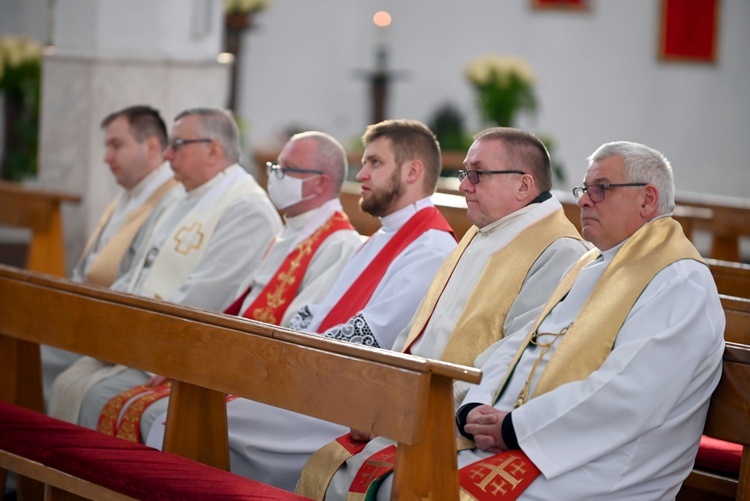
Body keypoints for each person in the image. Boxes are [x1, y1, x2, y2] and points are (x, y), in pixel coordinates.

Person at [328, 141, 726, 500]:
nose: (584, 201)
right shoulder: (593, 265)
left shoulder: (678, 281)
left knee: (420, 489)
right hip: (540, 441)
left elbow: (628, 396)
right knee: (389, 477)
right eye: (584, 189)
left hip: (603, 466)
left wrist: (516, 427)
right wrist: (476, 410)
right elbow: (520, 345)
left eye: (600, 188)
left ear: (648, 199)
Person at [145, 119, 459, 491]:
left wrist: (290, 360)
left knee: (186, 425)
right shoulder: (382, 237)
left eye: (375, 163)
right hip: (316, 374)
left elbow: (370, 335)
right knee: (178, 417)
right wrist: (281, 347)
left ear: (412, 171)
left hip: (348, 395)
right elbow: (321, 310)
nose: (361, 174)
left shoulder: (431, 248)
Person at [297, 127, 590, 498]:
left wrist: (415, 411)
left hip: (458, 424)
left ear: (523, 185)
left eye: (477, 174)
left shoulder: (558, 251)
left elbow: (518, 360)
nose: (464, 185)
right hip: (410, 409)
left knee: (386, 487)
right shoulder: (482, 231)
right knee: (323, 465)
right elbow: (418, 328)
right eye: (465, 173)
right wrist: (379, 402)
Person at [96, 130, 364, 442]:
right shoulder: (290, 231)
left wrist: (216, 367)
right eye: (275, 168)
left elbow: (300, 331)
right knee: (121, 403)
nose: (275, 178)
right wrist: (195, 358)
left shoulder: (338, 243)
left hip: (265, 383)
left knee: (156, 416)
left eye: (287, 170)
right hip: (235, 363)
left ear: (320, 182)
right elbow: (243, 308)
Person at [48, 107, 283, 426]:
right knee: (65, 385)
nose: (168, 155)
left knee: (94, 397)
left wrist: (124, 339)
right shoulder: (182, 198)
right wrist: (105, 322)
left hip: (170, 353)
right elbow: (136, 274)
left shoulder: (247, 210)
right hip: (133, 339)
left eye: (178, 145)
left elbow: (204, 298)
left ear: (213, 149)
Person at [42, 105, 183, 403]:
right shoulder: (130, 193)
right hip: (85, 310)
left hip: (108, 324)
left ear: (152, 146)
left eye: (116, 145)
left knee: (27, 349)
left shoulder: (172, 201)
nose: (107, 157)